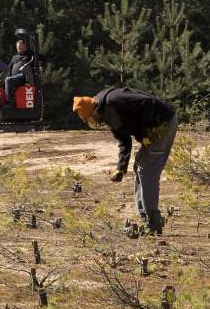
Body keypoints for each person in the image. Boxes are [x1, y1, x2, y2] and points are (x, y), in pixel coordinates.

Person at [73, 88, 177, 235]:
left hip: (162, 125)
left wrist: (147, 133)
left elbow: (149, 102)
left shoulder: (114, 101)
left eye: (89, 119)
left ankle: (153, 222)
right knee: (139, 166)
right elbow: (124, 140)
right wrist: (121, 168)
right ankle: (146, 218)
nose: (91, 122)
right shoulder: (105, 113)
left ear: (93, 111)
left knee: (147, 170)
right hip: (155, 130)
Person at [4, 39, 36, 107]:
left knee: (8, 80)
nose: (20, 50)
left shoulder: (30, 55)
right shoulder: (15, 57)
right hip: (14, 77)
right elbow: (9, 67)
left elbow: (42, 58)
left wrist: (41, 65)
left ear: (25, 47)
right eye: (18, 49)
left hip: (23, 77)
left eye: (21, 48)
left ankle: (10, 102)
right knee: (3, 80)